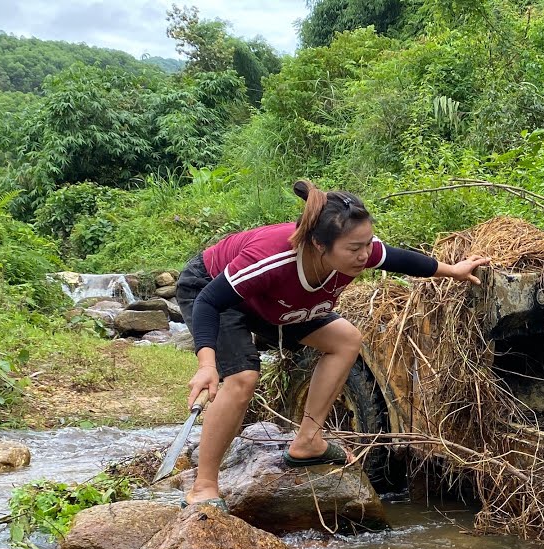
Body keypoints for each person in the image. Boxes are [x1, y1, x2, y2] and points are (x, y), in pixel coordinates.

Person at [176, 180, 490, 509]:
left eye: (367, 244)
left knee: (345, 339)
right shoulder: (272, 258)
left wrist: (452, 270)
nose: (365, 254)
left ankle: (308, 441)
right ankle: (204, 487)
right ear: (318, 244)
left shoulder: (356, 251)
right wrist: (207, 365)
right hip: (213, 289)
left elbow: (399, 259)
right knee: (243, 378)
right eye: (354, 248)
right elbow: (210, 302)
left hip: (274, 302)